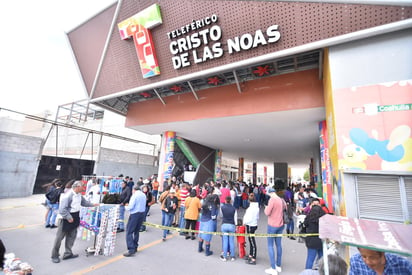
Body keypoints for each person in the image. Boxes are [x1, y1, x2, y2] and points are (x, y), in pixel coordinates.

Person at [51, 181, 98, 263]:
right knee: (59, 238)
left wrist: (93, 204)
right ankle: (54, 255)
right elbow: (62, 209)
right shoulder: (68, 196)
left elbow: (84, 203)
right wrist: (68, 217)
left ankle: (68, 253)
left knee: (71, 236)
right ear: (77, 187)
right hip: (66, 218)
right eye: (82, 187)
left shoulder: (79, 195)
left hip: (76, 217)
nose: (83, 188)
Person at [264, 187, 285, 275]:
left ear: (270, 193)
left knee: (270, 246)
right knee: (279, 245)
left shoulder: (272, 200)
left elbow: (267, 213)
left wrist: (266, 208)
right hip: (281, 225)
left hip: (272, 225)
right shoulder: (281, 200)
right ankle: (278, 265)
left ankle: (273, 268)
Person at [123, 185, 146, 257]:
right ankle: (135, 246)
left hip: (134, 214)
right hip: (142, 214)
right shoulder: (143, 195)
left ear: (134, 190)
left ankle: (131, 249)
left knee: (129, 231)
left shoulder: (134, 196)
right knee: (136, 231)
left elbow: (130, 207)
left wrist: (125, 206)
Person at [303, 205, 326, 270]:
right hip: (321, 241)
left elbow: (305, 224)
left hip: (311, 241)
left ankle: (307, 272)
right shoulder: (323, 219)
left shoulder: (309, 218)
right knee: (322, 258)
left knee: (310, 259)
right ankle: (323, 271)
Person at [198, 192, 219, 256]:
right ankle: (207, 252)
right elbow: (213, 216)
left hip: (202, 220)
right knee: (208, 237)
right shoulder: (213, 205)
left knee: (201, 235)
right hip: (209, 221)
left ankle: (200, 248)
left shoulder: (204, 203)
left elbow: (201, 212)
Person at [243, 193, 259, 265]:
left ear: (249, 200)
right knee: (250, 240)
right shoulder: (256, 207)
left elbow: (248, 218)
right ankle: (250, 254)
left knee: (252, 241)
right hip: (254, 224)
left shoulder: (250, 209)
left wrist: (244, 222)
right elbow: (257, 217)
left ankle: (253, 258)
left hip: (250, 225)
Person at [220, 196, 237, 262]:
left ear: (225, 200)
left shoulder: (222, 207)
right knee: (231, 241)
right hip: (231, 225)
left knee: (225, 241)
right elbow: (235, 218)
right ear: (231, 201)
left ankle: (224, 256)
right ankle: (232, 256)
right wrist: (235, 226)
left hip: (224, 224)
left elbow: (221, 216)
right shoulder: (234, 208)